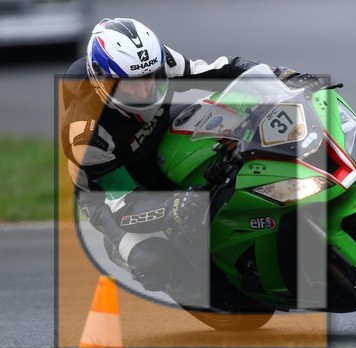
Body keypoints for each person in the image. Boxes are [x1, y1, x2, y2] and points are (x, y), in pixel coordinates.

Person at [60, 18, 325, 303]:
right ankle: (186, 282)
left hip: (156, 134)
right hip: (112, 192)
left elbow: (221, 70)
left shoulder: (158, 61)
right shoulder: (86, 135)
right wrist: (171, 207)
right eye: (130, 85)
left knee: (233, 118)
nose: (144, 91)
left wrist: (282, 77)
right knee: (152, 261)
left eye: (151, 78)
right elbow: (124, 205)